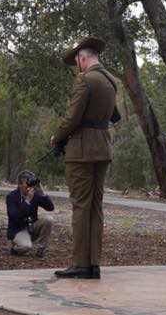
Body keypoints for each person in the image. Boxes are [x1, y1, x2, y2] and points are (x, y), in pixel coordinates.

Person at [50, 36, 116, 280]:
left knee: (80, 207)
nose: (77, 64)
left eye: (77, 60)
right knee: (95, 208)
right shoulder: (110, 80)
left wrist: (56, 137)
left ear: (82, 58)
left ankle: (80, 263)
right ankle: (92, 264)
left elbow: (72, 116)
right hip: (102, 148)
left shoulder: (85, 79)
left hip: (81, 151)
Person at [4, 169, 54, 257]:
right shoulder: (12, 196)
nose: (30, 187)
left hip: (32, 227)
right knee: (25, 247)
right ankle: (15, 248)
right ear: (19, 184)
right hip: (18, 231)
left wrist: (42, 193)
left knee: (49, 219)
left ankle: (41, 250)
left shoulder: (35, 194)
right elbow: (15, 216)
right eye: (27, 183)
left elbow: (50, 208)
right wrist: (27, 201)